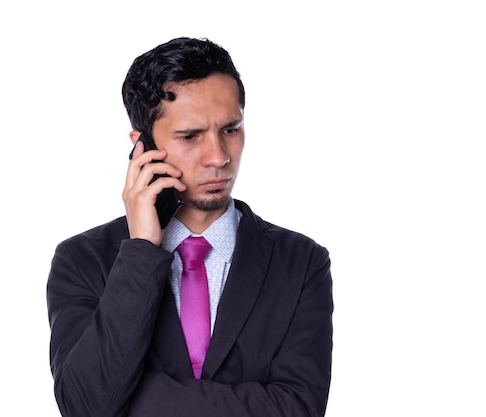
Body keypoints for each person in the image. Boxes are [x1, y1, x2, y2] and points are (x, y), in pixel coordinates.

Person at [46, 37, 333, 417]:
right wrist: (142, 250)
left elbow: (299, 408)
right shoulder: (83, 260)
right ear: (142, 146)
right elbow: (85, 406)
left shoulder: (301, 261)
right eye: (190, 136)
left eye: (231, 129)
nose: (218, 157)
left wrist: (131, 400)